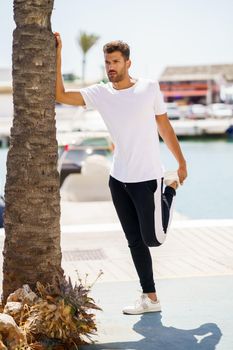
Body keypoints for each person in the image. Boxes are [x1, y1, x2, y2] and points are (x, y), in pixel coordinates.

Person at [54, 33, 188, 315]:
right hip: (119, 180)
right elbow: (60, 95)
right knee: (134, 241)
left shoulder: (149, 88)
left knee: (155, 239)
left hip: (148, 178)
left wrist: (180, 163)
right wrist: (59, 54)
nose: (110, 67)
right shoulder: (101, 93)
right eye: (107, 62)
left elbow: (164, 127)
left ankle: (171, 189)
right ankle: (150, 299)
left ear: (128, 63)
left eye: (115, 61)